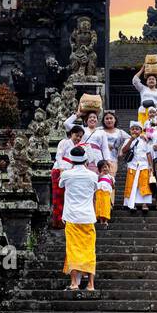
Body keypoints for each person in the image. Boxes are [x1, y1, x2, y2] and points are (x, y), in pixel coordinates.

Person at [60, 144, 98, 294]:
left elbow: (61, 184)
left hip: (71, 216)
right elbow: (95, 189)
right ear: (85, 159)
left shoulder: (67, 174)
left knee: (73, 248)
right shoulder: (93, 175)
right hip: (87, 216)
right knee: (89, 249)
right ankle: (90, 283)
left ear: (71, 159)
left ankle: (74, 282)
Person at [51, 122, 85, 229]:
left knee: (67, 197)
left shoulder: (78, 147)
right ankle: (57, 221)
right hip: (59, 170)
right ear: (71, 134)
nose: (78, 138)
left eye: (80, 136)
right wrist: (61, 170)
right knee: (58, 196)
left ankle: (65, 220)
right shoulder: (64, 142)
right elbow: (58, 156)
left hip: (71, 173)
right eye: (77, 135)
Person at [120, 121, 153, 214]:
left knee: (144, 184)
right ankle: (131, 203)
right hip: (132, 165)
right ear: (130, 130)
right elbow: (124, 151)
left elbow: (148, 154)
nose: (135, 130)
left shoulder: (145, 140)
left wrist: (151, 166)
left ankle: (144, 204)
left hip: (144, 165)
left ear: (141, 131)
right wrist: (131, 140)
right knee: (131, 184)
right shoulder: (127, 140)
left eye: (137, 129)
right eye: (133, 129)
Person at [81, 110, 112, 175]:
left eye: (94, 117)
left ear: (97, 120)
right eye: (90, 117)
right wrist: (78, 114)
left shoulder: (101, 132)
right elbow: (66, 124)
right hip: (85, 154)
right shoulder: (82, 129)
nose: (92, 119)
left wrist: (107, 160)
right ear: (86, 120)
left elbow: (105, 147)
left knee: (97, 174)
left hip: (97, 156)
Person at [101, 110, 129, 178]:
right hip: (100, 159)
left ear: (115, 120)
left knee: (110, 179)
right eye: (107, 119)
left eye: (111, 118)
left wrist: (121, 149)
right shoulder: (99, 130)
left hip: (113, 159)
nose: (109, 120)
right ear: (104, 121)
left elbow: (130, 139)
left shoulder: (120, 132)